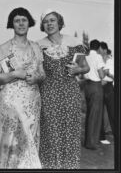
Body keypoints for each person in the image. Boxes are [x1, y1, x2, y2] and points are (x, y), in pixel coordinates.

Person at [0, 7, 45, 169]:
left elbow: (42, 73)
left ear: (29, 23)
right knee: (11, 138)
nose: (21, 24)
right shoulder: (3, 48)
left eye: (24, 20)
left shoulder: (36, 47)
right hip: (11, 102)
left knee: (29, 139)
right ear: (12, 24)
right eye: (17, 20)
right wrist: (15, 74)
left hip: (33, 101)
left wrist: (37, 77)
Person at [37, 9, 90, 169]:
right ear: (42, 26)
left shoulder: (74, 42)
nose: (49, 24)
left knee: (70, 131)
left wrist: (77, 70)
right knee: (50, 133)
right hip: (48, 94)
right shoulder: (38, 46)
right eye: (46, 22)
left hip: (70, 94)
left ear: (60, 23)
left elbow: (85, 68)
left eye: (52, 20)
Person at [83, 39, 106, 150]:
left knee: (89, 113)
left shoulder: (86, 57)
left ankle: (88, 140)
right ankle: (91, 143)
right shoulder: (98, 57)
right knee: (95, 114)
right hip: (96, 86)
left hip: (87, 86)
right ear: (98, 48)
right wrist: (104, 72)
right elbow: (101, 75)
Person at [99, 42, 114, 144]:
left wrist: (105, 74)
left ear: (104, 50)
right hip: (100, 87)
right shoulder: (99, 60)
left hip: (108, 87)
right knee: (100, 112)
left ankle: (115, 134)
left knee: (112, 112)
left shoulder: (110, 61)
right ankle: (101, 137)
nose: (98, 52)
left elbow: (111, 74)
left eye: (100, 50)